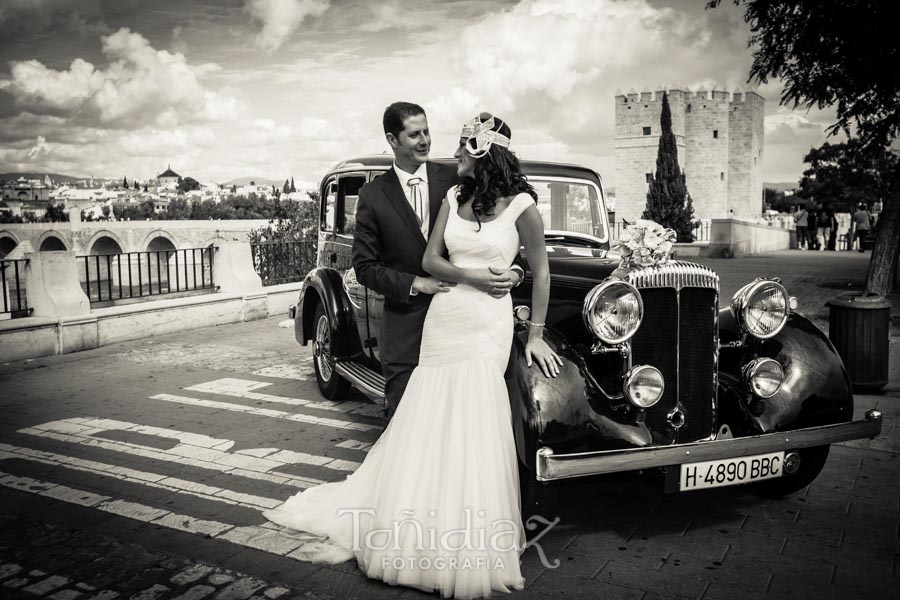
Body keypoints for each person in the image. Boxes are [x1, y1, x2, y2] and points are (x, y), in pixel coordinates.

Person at [263, 113, 560, 599]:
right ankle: (417, 523)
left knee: (476, 416)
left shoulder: (522, 204)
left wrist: (535, 334)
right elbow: (428, 260)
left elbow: (541, 271)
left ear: (485, 153)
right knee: (432, 412)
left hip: (487, 323)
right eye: (422, 135)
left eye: (464, 146)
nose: (451, 151)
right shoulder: (453, 195)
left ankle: (471, 534)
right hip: (446, 315)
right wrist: (477, 277)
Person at [348, 102, 524, 419]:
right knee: (406, 424)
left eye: (427, 131)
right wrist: (416, 283)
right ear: (392, 139)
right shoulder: (373, 195)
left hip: (466, 329)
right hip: (406, 331)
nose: (425, 140)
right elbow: (365, 267)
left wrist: (515, 272)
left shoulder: (457, 180)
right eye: (415, 134)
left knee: (464, 421)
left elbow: (504, 236)